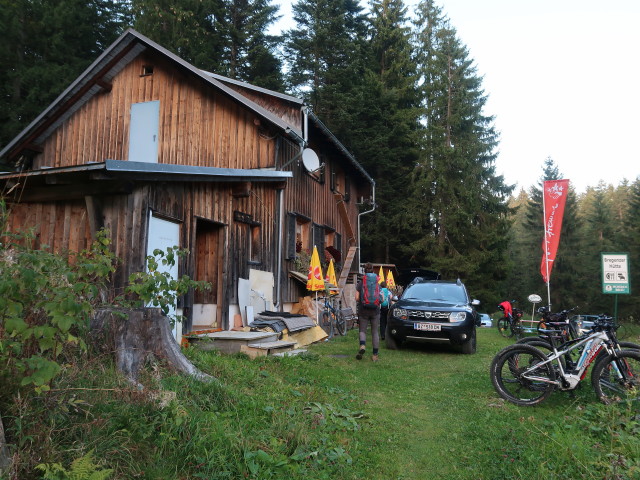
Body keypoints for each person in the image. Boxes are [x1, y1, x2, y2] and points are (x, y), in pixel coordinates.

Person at [355, 263, 383, 362]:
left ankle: (362, 345)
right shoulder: (377, 283)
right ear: (373, 271)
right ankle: (375, 355)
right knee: (375, 332)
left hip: (363, 310)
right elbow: (382, 299)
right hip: (375, 311)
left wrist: (363, 301)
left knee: (362, 330)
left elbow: (357, 298)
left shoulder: (361, 282)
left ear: (365, 271)